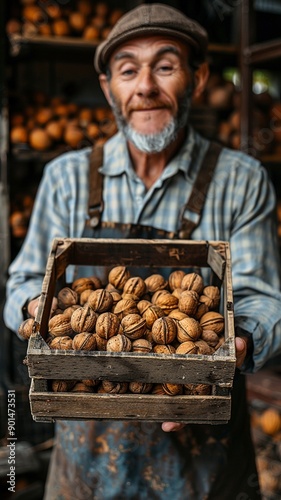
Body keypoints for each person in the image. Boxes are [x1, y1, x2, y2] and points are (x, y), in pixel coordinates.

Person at [4, 3, 281, 499]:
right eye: (128, 70)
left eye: (166, 66)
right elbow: (22, 283)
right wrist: (38, 307)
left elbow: (263, 299)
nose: (146, 86)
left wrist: (235, 344)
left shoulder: (242, 180)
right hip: (87, 440)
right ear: (110, 88)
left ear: (196, 80)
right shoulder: (66, 178)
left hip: (203, 442)